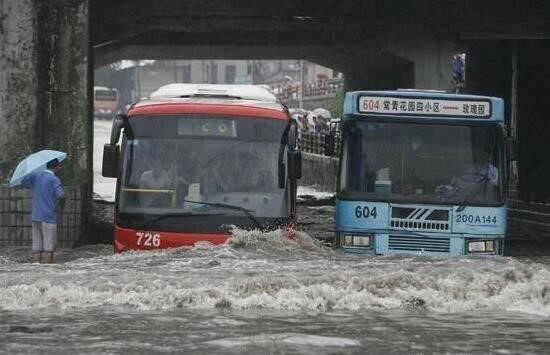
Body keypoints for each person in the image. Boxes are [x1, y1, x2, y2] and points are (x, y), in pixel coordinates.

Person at [21, 158, 65, 264]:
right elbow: (61, 195)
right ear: (56, 167)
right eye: (59, 166)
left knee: (37, 246)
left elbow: (24, 181)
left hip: (36, 216)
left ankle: (36, 266)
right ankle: (46, 270)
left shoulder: (36, 175)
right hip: (49, 217)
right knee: (48, 247)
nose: (60, 168)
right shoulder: (54, 179)